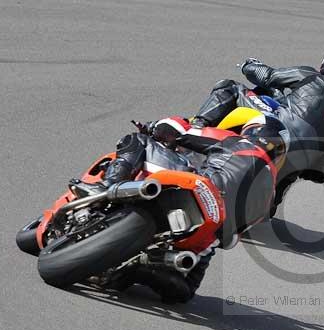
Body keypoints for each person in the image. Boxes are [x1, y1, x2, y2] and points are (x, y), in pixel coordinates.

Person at [72, 113, 290, 303]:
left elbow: (181, 135)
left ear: (253, 132)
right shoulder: (269, 197)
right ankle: (143, 270)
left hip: (197, 191)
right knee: (186, 288)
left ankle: (107, 185)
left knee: (137, 140)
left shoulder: (238, 143)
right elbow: (229, 239)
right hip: (207, 230)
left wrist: (153, 128)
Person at [192, 43, 324, 212]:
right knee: (275, 199)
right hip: (286, 172)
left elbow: (267, 76)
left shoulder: (312, 77)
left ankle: (196, 126)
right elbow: (321, 173)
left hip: (273, 129)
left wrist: (249, 65)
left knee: (230, 87)